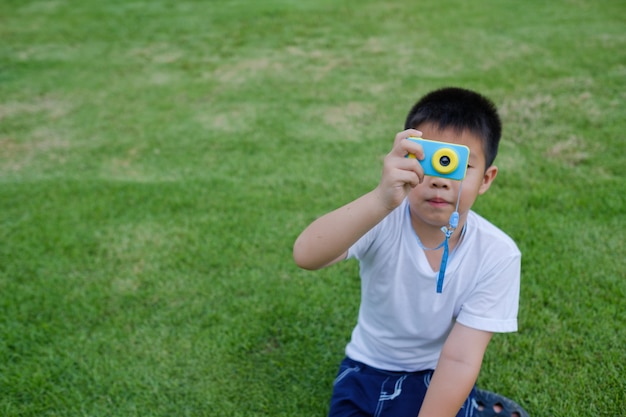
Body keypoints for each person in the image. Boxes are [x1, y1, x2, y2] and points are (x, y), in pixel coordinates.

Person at [293, 87, 525, 417]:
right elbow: (306, 254)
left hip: (438, 371)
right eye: (429, 160)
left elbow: (460, 359)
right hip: (367, 367)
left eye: (456, 164)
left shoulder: (497, 254)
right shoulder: (381, 218)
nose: (440, 180)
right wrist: (379, 200)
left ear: (486, 179)